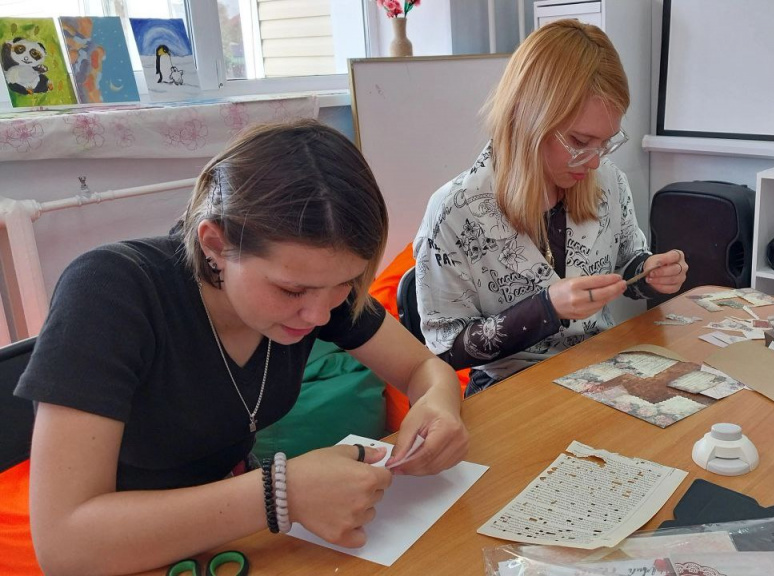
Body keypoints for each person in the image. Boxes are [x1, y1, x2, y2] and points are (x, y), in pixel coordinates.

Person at [14, 119, 468, 576]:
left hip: (230, 533)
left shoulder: (320, 285)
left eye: (345, 284)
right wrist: (279, 494)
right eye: (291, 291)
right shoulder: (110, 291)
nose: (319, 316)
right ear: (215, 244)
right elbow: (64, 546)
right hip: (120, 552)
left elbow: (423, 368)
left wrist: (440, 405)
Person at [414, 20, 688, 397]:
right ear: (527, 117)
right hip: (509, 390)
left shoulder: (608, 181)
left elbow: (627, 261)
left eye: (606, 143)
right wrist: (546, 308)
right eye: (580, 141)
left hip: (601, 373)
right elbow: (446, 352)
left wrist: (648, 271)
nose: (593, 162)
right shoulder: (455, 211)